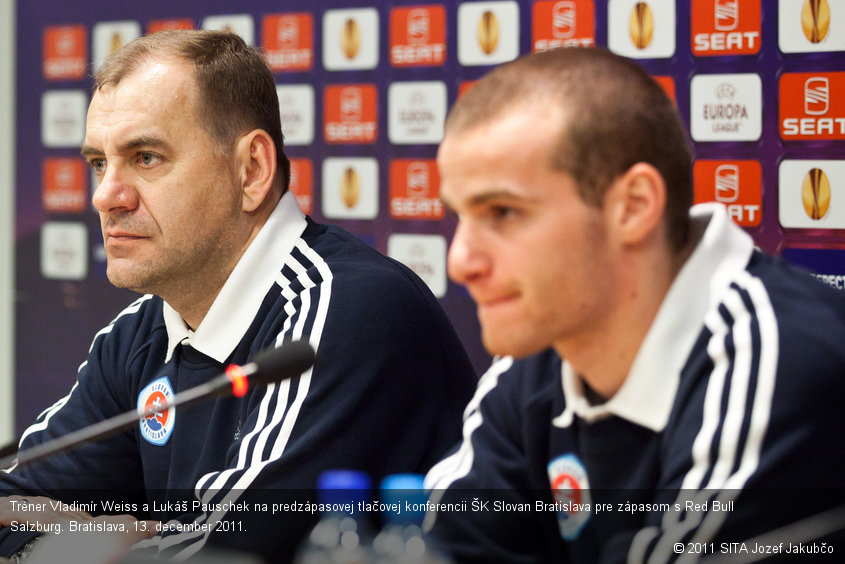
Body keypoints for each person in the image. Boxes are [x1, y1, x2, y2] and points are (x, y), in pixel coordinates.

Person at [0, 30, 477, 562]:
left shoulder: (347, 310)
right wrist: (105, 538)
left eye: (147, 157)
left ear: (251, 170)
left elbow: (224, 551)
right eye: (98, 163)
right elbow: (8, 502)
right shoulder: (142, 331)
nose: (106, 195)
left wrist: (100, 538)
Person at [423, 47, 845, 563]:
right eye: (460, 215)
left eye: (503, 212)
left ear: (635, 206)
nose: (461, 260)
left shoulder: (774, 362)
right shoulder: (541, 352)